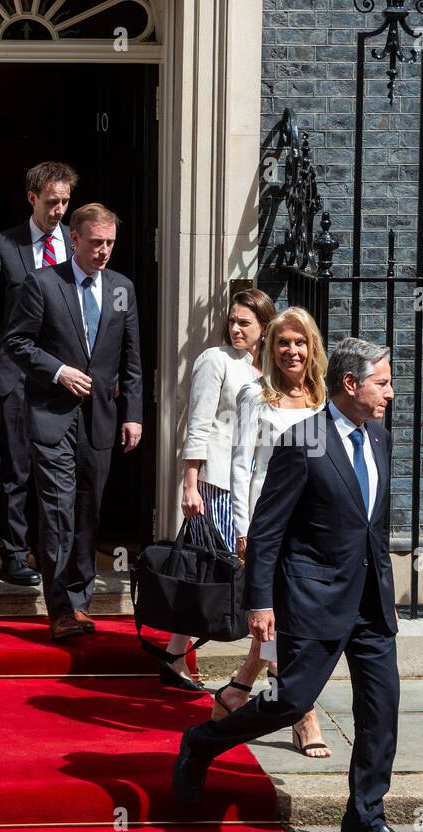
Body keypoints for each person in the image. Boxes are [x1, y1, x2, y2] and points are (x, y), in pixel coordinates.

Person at [173, 337, 423, 832]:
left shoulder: (379, 438)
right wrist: (261, 604)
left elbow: (372, 523)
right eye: (383, 383)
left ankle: (364, 818)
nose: (391, 393)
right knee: (291, 702)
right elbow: (267, 531)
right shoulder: (304, 441)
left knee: (382, 707)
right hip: (314, 597)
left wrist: (386, 586)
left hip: (370, 602)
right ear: (350, 385)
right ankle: (201, 743)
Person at [4, 202, 144, 641]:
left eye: (110, 244)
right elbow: (16, 342)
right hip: (52, 416)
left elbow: (132, 360)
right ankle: (60, 608)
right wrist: (58, 370)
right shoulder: (43, 283)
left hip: (100, 420)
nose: (104, 251)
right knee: (57, 511)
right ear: (75, 240)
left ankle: (81, 602)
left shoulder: (122, 288)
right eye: (96, 243)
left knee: (88, 511)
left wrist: (133, 416)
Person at [215, 307, 334, 758]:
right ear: (270, 347)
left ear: (312, 348)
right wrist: (244, 530)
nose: (292, 350)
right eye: (283, 342)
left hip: (311, 527)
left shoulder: (322, 398)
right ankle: (304, 713)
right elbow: (241, 464)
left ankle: (239, 688)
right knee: (282, 615)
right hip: (269, 524)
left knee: (290, 615)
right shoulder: (254, 395)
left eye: (300, 342)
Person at [158, 288, 275, 692]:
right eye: (233, 320)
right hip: (218, 484)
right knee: (221, 572)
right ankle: (267, 671)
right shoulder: (216, 359)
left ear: (264, 327)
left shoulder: (270, 371)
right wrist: (190, 484)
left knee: (231, 574)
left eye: (246, 322)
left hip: (259, 487)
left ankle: (175, 655)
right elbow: (199, 422)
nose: (236, 328)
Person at [0, 161, 78, 588]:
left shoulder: (77, 243)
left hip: (63, 375)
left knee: (60, 470)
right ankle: (14, 554)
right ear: (31, 198)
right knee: (16, 469)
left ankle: (57, 554)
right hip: (13, 373)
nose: (59, 209)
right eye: (52, 201)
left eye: (65, 201)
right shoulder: (3, 245)